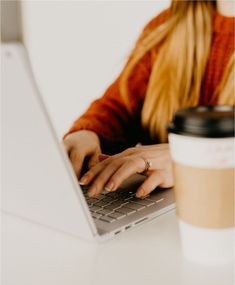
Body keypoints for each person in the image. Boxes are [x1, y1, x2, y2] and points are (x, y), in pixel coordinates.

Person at [63, 0, 235, 198]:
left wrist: (192, 159)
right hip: (157, 205)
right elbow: (120, 107)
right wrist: (89, 134)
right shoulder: (167, 26)